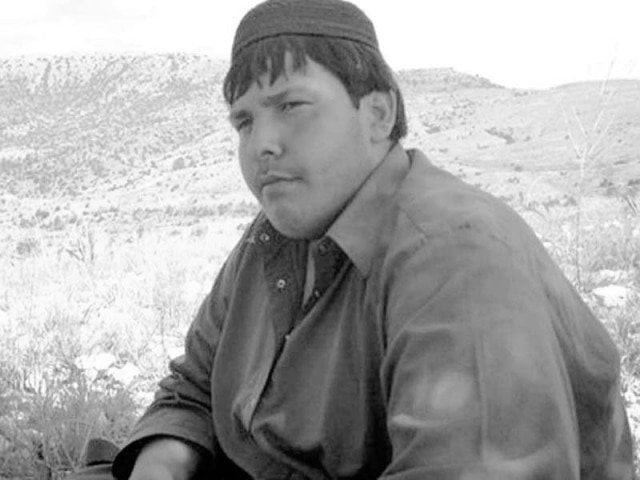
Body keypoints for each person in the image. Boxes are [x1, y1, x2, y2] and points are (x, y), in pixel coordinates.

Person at [70, 0, 636, 478]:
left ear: (377, 114)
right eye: (244, 122)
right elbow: (194, 385)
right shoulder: (271, 240)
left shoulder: (455, 256)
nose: (261, 144)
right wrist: (161, 465)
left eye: (291, 106)